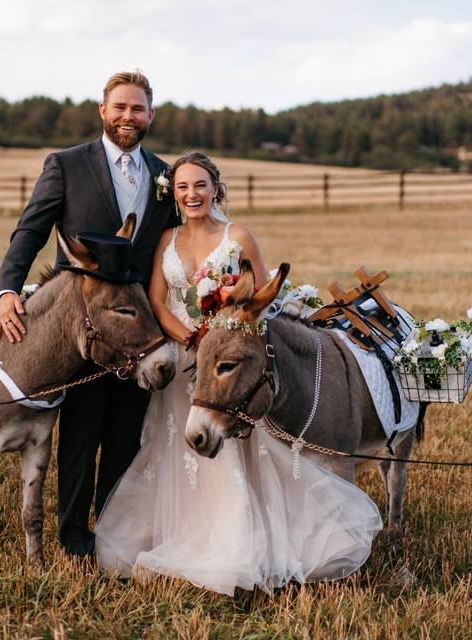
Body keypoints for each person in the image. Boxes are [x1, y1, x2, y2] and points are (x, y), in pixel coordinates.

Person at [94, 152, 383, 595]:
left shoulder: (238, 235)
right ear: (172, 193)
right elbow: (157, 300)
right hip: (185, 359)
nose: (192, 194)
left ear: (215, 188)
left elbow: (259, 306)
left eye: (200, 185)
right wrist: (191, 340)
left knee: (239, 453)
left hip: (228, 363)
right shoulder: (166, 239)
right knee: (179, 451)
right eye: (183, 187)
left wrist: (222, 343)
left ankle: (243, 544)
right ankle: (187, 535)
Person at [0, 71, 179, 557]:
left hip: (139, 326)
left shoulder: (165, 176)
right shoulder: (67, 165)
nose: (128, 117)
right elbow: (29, 231)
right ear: (103, 111)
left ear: (150, 116)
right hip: (81, 325)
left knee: (126, 434)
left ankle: (113, 535)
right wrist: (7, 289)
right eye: (120, 107)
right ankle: (74, 537)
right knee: (80, 433)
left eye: (137, 109)